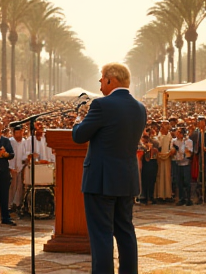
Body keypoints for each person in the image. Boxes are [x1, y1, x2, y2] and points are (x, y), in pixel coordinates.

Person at [72, 62, 146, 274]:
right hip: (127, 179)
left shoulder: (101, 105)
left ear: (110, 80)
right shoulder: (140, 108)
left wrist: (78, 119)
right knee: (125, 232)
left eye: (101, 79)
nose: (100, 83)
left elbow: (79, 136)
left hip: (101, 180)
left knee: (101, 235)